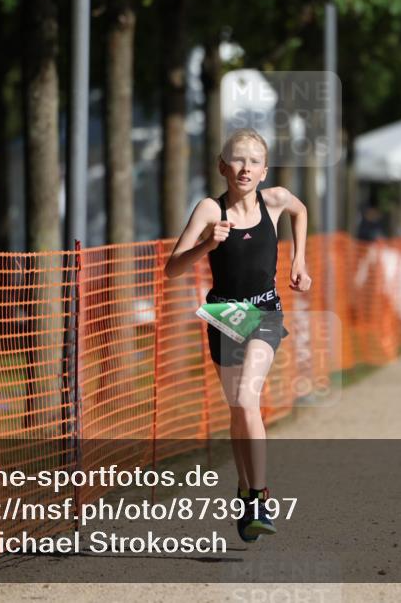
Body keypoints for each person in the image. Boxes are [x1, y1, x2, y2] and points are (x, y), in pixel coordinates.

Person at [164, 128, 311, 542]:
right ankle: (246, 493)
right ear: (222, 166)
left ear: (264, 170)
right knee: (238, 409)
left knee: (248, 398)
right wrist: (206, 246)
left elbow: (300, 212)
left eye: (253, 161)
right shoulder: (210, 210)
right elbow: (172, 268)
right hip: (223, 313)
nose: (245, 167)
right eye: (237, 159)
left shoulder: (276, 200)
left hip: (264, 309)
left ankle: (261, 495)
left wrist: (299, 259)